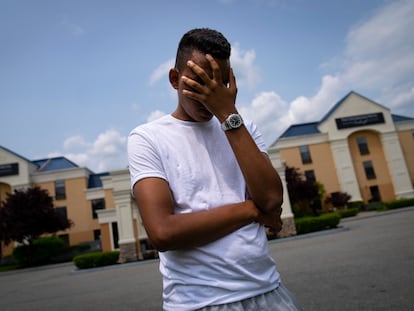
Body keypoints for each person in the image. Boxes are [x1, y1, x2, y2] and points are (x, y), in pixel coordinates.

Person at [128, 28, 303, 311]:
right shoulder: (147, 138)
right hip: (199, 303)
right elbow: (162, 232)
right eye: (199, 83)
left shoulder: (242, 130)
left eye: (217, 84)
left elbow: (271, 199)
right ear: (175, 79)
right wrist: (250, 211)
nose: (209, 96)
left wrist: (228, 115)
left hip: (269, 291)